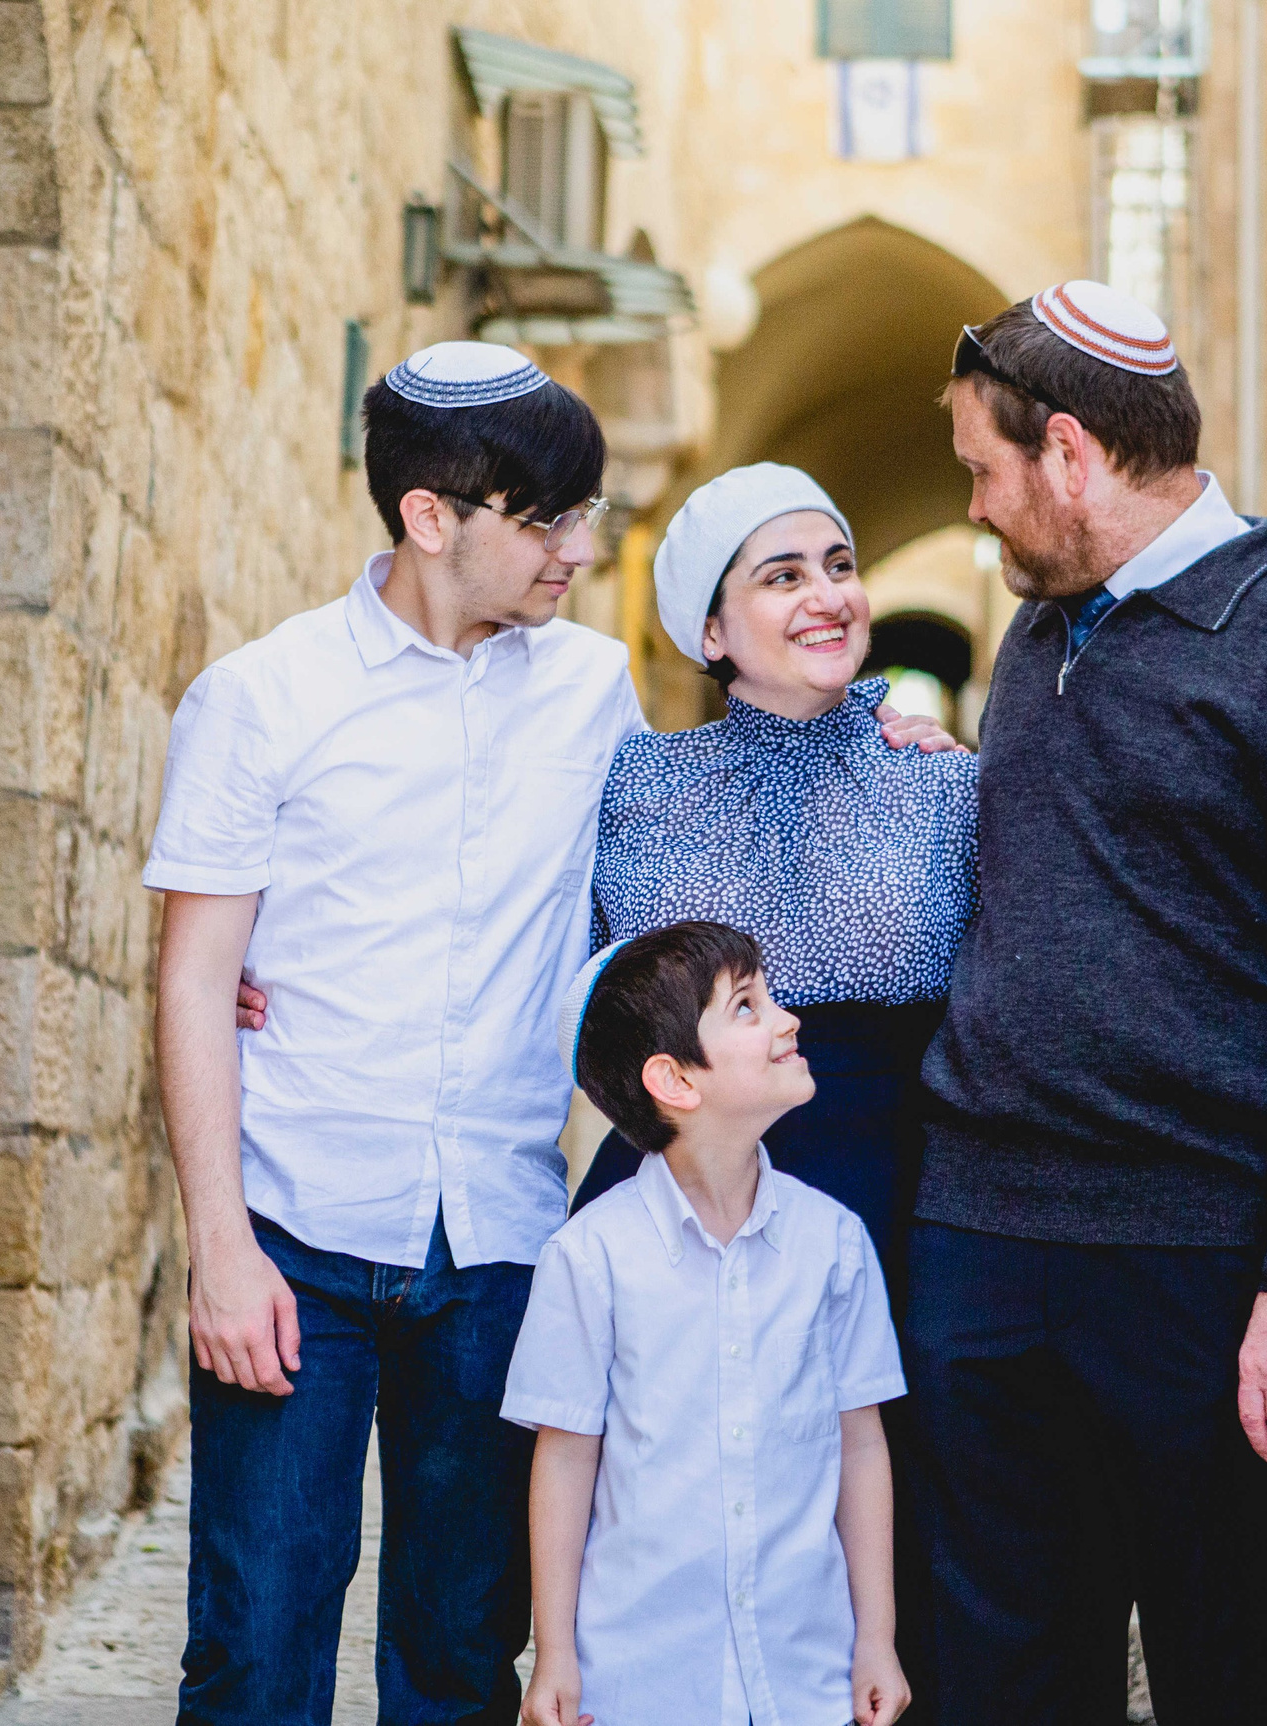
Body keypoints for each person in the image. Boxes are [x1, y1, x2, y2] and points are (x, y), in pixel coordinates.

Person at [909, 280, 1267, 1723]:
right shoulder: (1035, 638)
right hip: (985, 1248)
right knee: (999, 1684)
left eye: (984, 473)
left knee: (1225, 1679)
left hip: (1203, 1273)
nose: (977, 512)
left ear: (1070, 455)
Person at [146, 342, 638, 1724]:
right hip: (293, 1234)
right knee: (254, 1649)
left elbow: (690, 861)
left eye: (584, 512)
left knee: (462, 1656)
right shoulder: (263, 698)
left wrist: (885, 744)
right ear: (432, 516)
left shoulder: (596, 694)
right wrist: (222, 1252)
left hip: (499, 1246)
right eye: (545, 518)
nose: (578, 551)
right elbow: (196, 981)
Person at [567, 462, 979, 1280]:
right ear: (711, 632)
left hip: (893, 1197)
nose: (826, 596)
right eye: (783, 576)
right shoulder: (636, 786)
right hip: (679, 1204)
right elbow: (559, 973)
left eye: (839, 566)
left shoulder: (947, 784)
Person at [507, 922, 911, 1726]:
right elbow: (565, 1457)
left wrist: (877, 1638)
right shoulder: (590, 1258)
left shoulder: (834, 1245)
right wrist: (554, 1653)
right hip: (642, 1682)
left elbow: (860, 1444)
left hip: (804, 1675)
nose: (788, 1019)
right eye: (748, 1006)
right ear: (675, 1081)